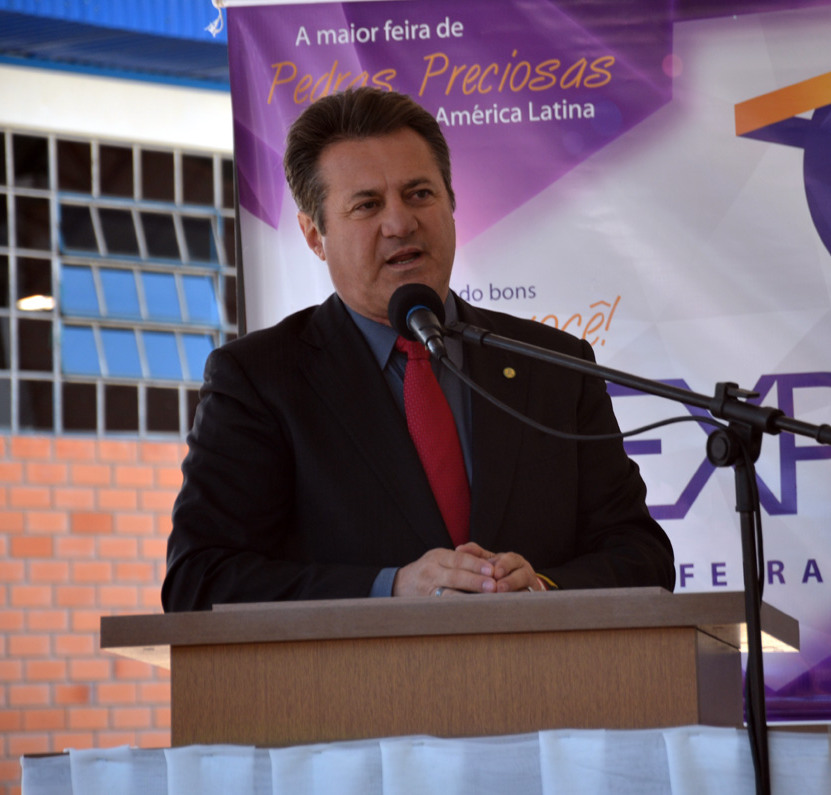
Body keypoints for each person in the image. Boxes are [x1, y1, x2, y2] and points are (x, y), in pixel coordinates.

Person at [161, 87, 675, 611]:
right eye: (367, 205)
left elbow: (641, 553)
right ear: (314, 235)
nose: (400, 223)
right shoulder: (260, 379)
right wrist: (392, 589)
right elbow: (198, 582)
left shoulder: (553, 365)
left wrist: (542, 589)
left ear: (451, 203)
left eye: (419, 194)